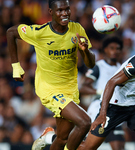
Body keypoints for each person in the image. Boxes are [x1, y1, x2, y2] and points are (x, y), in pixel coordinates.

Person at [6, 1, 95, 150]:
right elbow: (11, 32)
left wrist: (85, 50)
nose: (65, 13)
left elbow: (91, 64)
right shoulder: (40, 32)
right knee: (85, 122)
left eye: (67, 9)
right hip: (49, 89)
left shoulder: (77, 29)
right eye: (60, 10)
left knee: (61, 139)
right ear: (51, 12)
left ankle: (47, 137)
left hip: (70, 89)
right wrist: (16, 66)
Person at [80, 36, 125, 150]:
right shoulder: (98, 66)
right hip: (98, 109)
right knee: (89, 146)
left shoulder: (122, 68)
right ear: (105, 50)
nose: (115, 51)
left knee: (119, 147)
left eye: (118, 48)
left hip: (115, 110)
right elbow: (83, 87)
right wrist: (101, 91)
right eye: (112, 48)